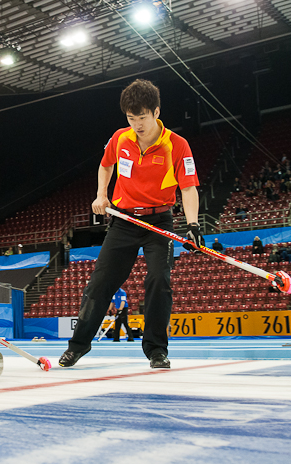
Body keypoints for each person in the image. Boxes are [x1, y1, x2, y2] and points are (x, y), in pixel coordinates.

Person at [59, 79, 201, 369]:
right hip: (124, 222)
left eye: (142, 117)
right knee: (100, 283)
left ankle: (156, 351)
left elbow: (188, 188)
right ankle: (77, 346)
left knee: (159, 280)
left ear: (156, 112)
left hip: (160, 221)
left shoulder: (177, 145)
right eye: (131, 118)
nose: (137, 124)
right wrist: (101, 194)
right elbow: (105, 164)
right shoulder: (120, 138)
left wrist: (193, 225)